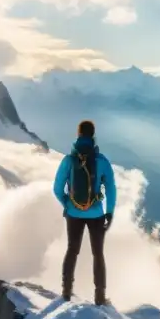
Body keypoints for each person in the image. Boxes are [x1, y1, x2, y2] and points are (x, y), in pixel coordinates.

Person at [52, 119, 117, 305]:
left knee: (72, 250)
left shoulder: (68, 160)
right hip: (96, 214)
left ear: (78, 135)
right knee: (98, 253)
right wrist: (109, 212)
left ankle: (66, 291)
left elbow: (57, 188)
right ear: (93, 136)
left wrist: (68, 203)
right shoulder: (101, 161)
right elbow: (111, 189)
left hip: (73, 213)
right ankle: (99, 296)